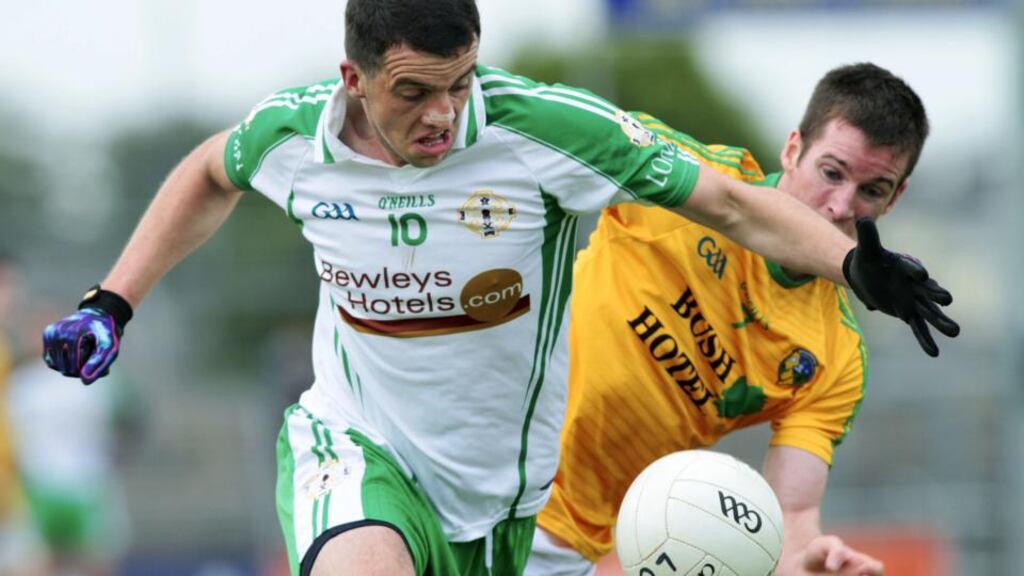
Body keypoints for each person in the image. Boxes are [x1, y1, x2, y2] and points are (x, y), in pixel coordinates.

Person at [39, 1, 957, 574]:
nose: (443, 115)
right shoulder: (292, 138)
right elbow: (210, 171)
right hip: (362, 446)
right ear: (354, 78)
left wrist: (852, 269)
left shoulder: (545, 134)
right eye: (415, 92)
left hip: (526, 514)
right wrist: (110, 301)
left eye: (462, 83)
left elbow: (790, 505)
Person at [525, 63, 935, 576]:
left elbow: (792, 516)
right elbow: (544, 125)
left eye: (872, 191)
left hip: (557, 548)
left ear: (894, 199)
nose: (840, 206)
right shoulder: (689, 176)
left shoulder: (835, 360)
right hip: (466, 467)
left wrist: (811, 563)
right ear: (792, 150)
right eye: (831, 172)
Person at [9, 303, 134, 576]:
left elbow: (127, 423)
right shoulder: (18, 384)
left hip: (89, 482)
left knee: (96, 561)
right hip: (37, 484)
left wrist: (114, 457)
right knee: (30, 563)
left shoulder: (98, 379)